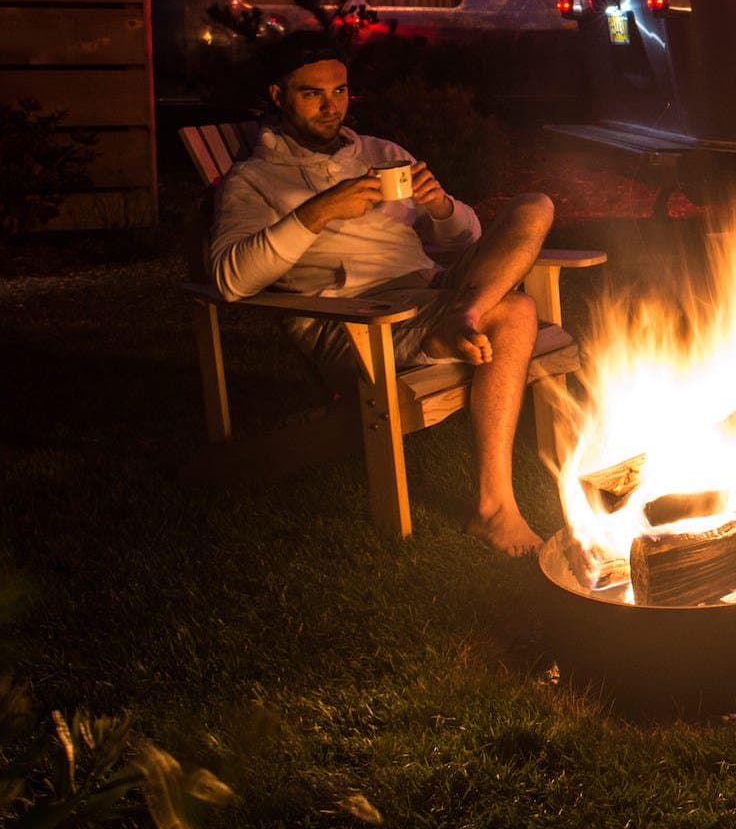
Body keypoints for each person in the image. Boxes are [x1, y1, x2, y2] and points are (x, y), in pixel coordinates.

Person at [205, 34, 557, 555]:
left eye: (341, 91)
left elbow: (467, 242)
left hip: (432, 292)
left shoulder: (381, 153)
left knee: (535, 204)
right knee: (517, 309)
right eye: (313, 94)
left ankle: (468, 311)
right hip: (359, 322)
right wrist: (318, 212)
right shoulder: (252, 182)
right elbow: (228, 279)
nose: (333, 107)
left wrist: (441, 208)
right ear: (277, 95)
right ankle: (494, 509)